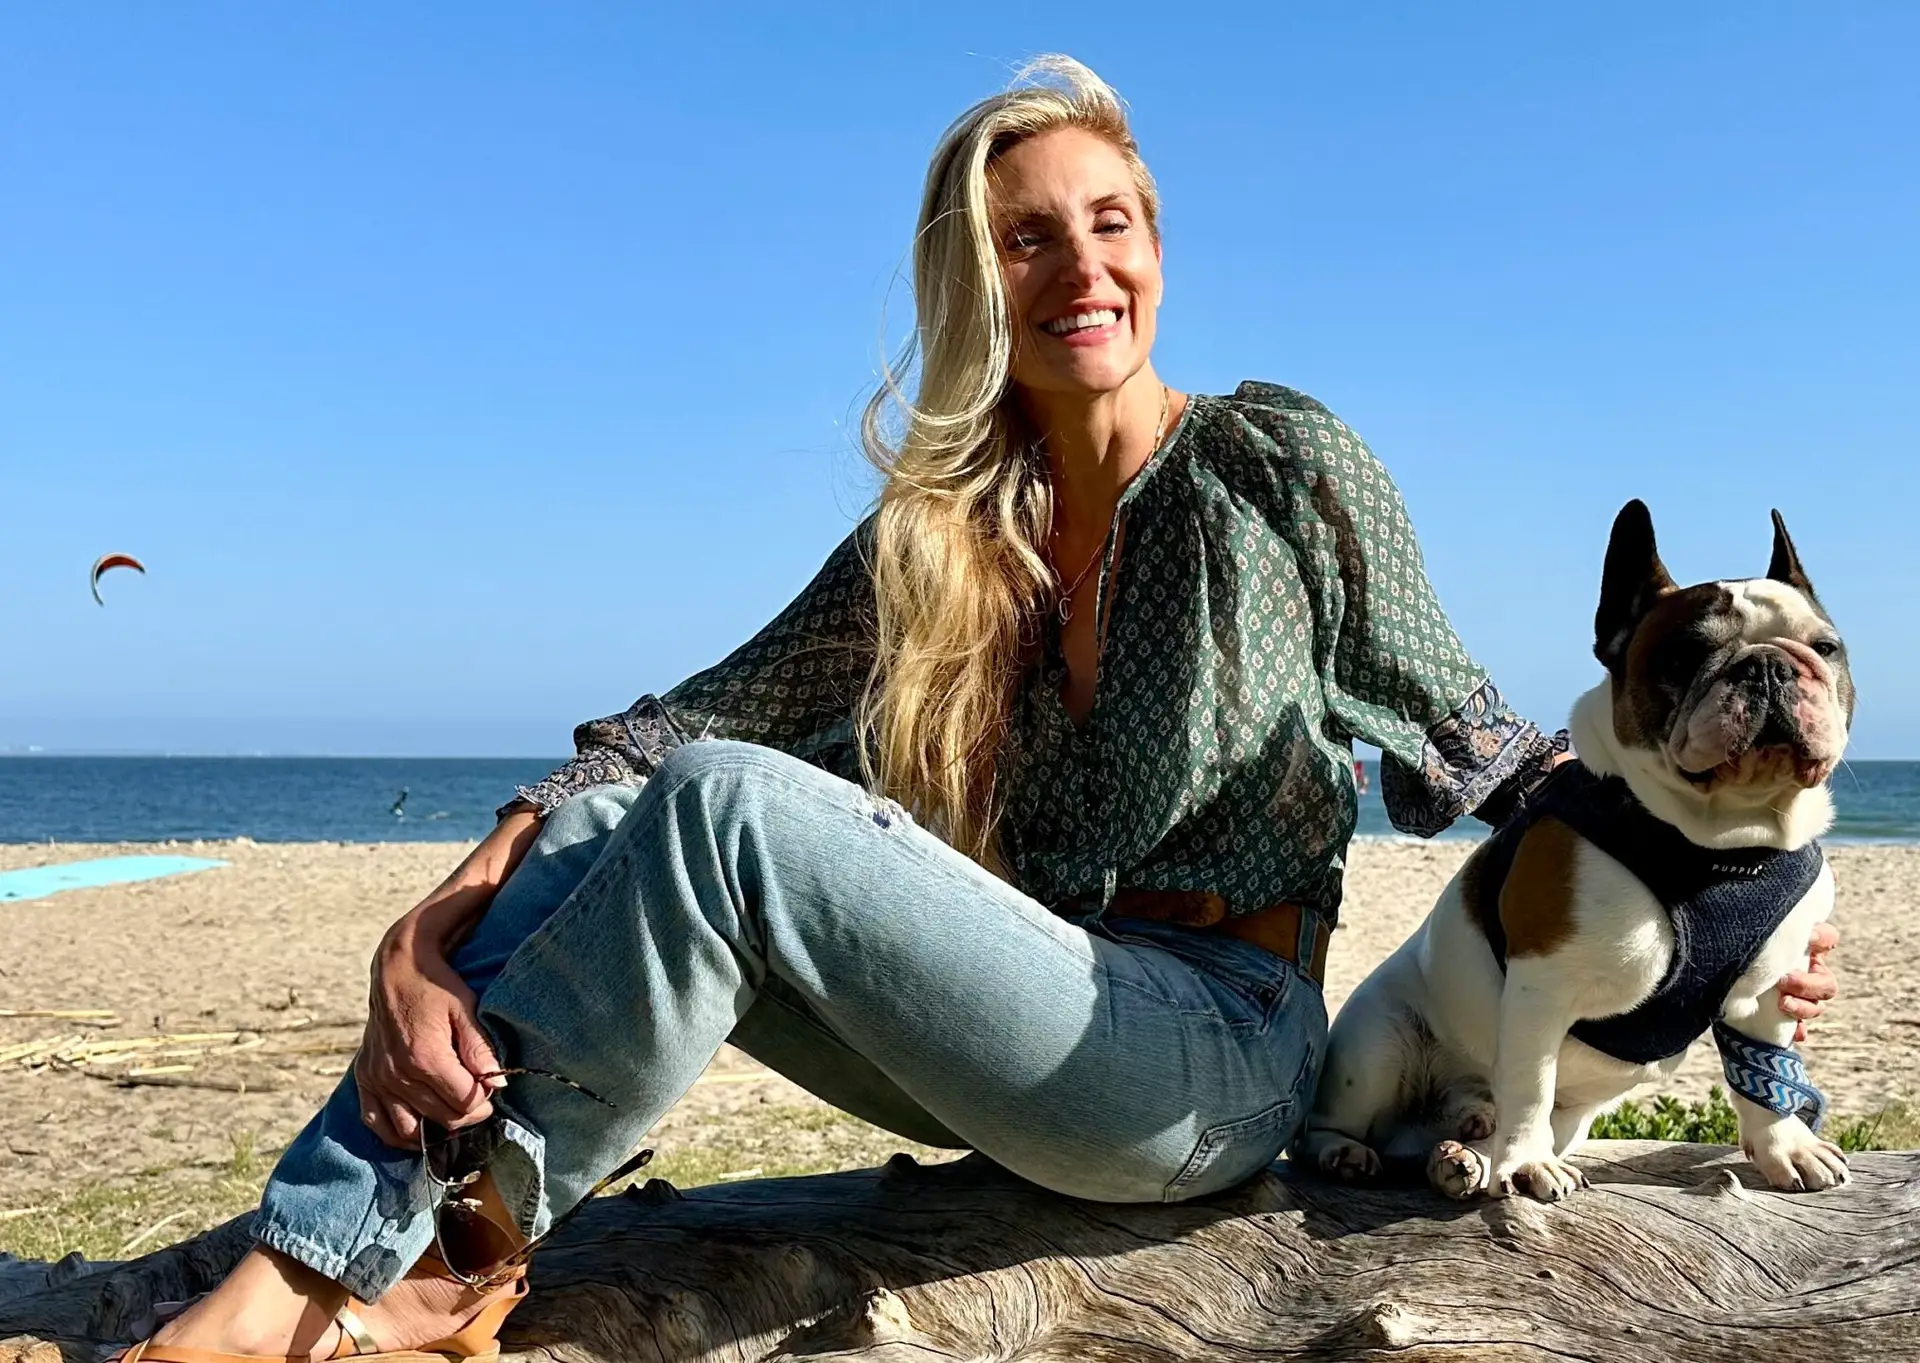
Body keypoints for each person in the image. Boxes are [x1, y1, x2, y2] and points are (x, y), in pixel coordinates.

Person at [132, 57, 1839, 1362]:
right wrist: (430, 918)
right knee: (606, 818)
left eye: (1108, 224)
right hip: (1005, 1039)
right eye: (1029, 236)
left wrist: (1732, 903)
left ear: (1156, 247)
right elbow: (663, 730)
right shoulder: (946, 536)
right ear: (983, 277)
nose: (1077, 266)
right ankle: (433, 1254)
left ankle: (331, 1280)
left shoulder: (1277, 464)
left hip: (1217, 1053)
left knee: (727, 809)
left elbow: (1497, 751)